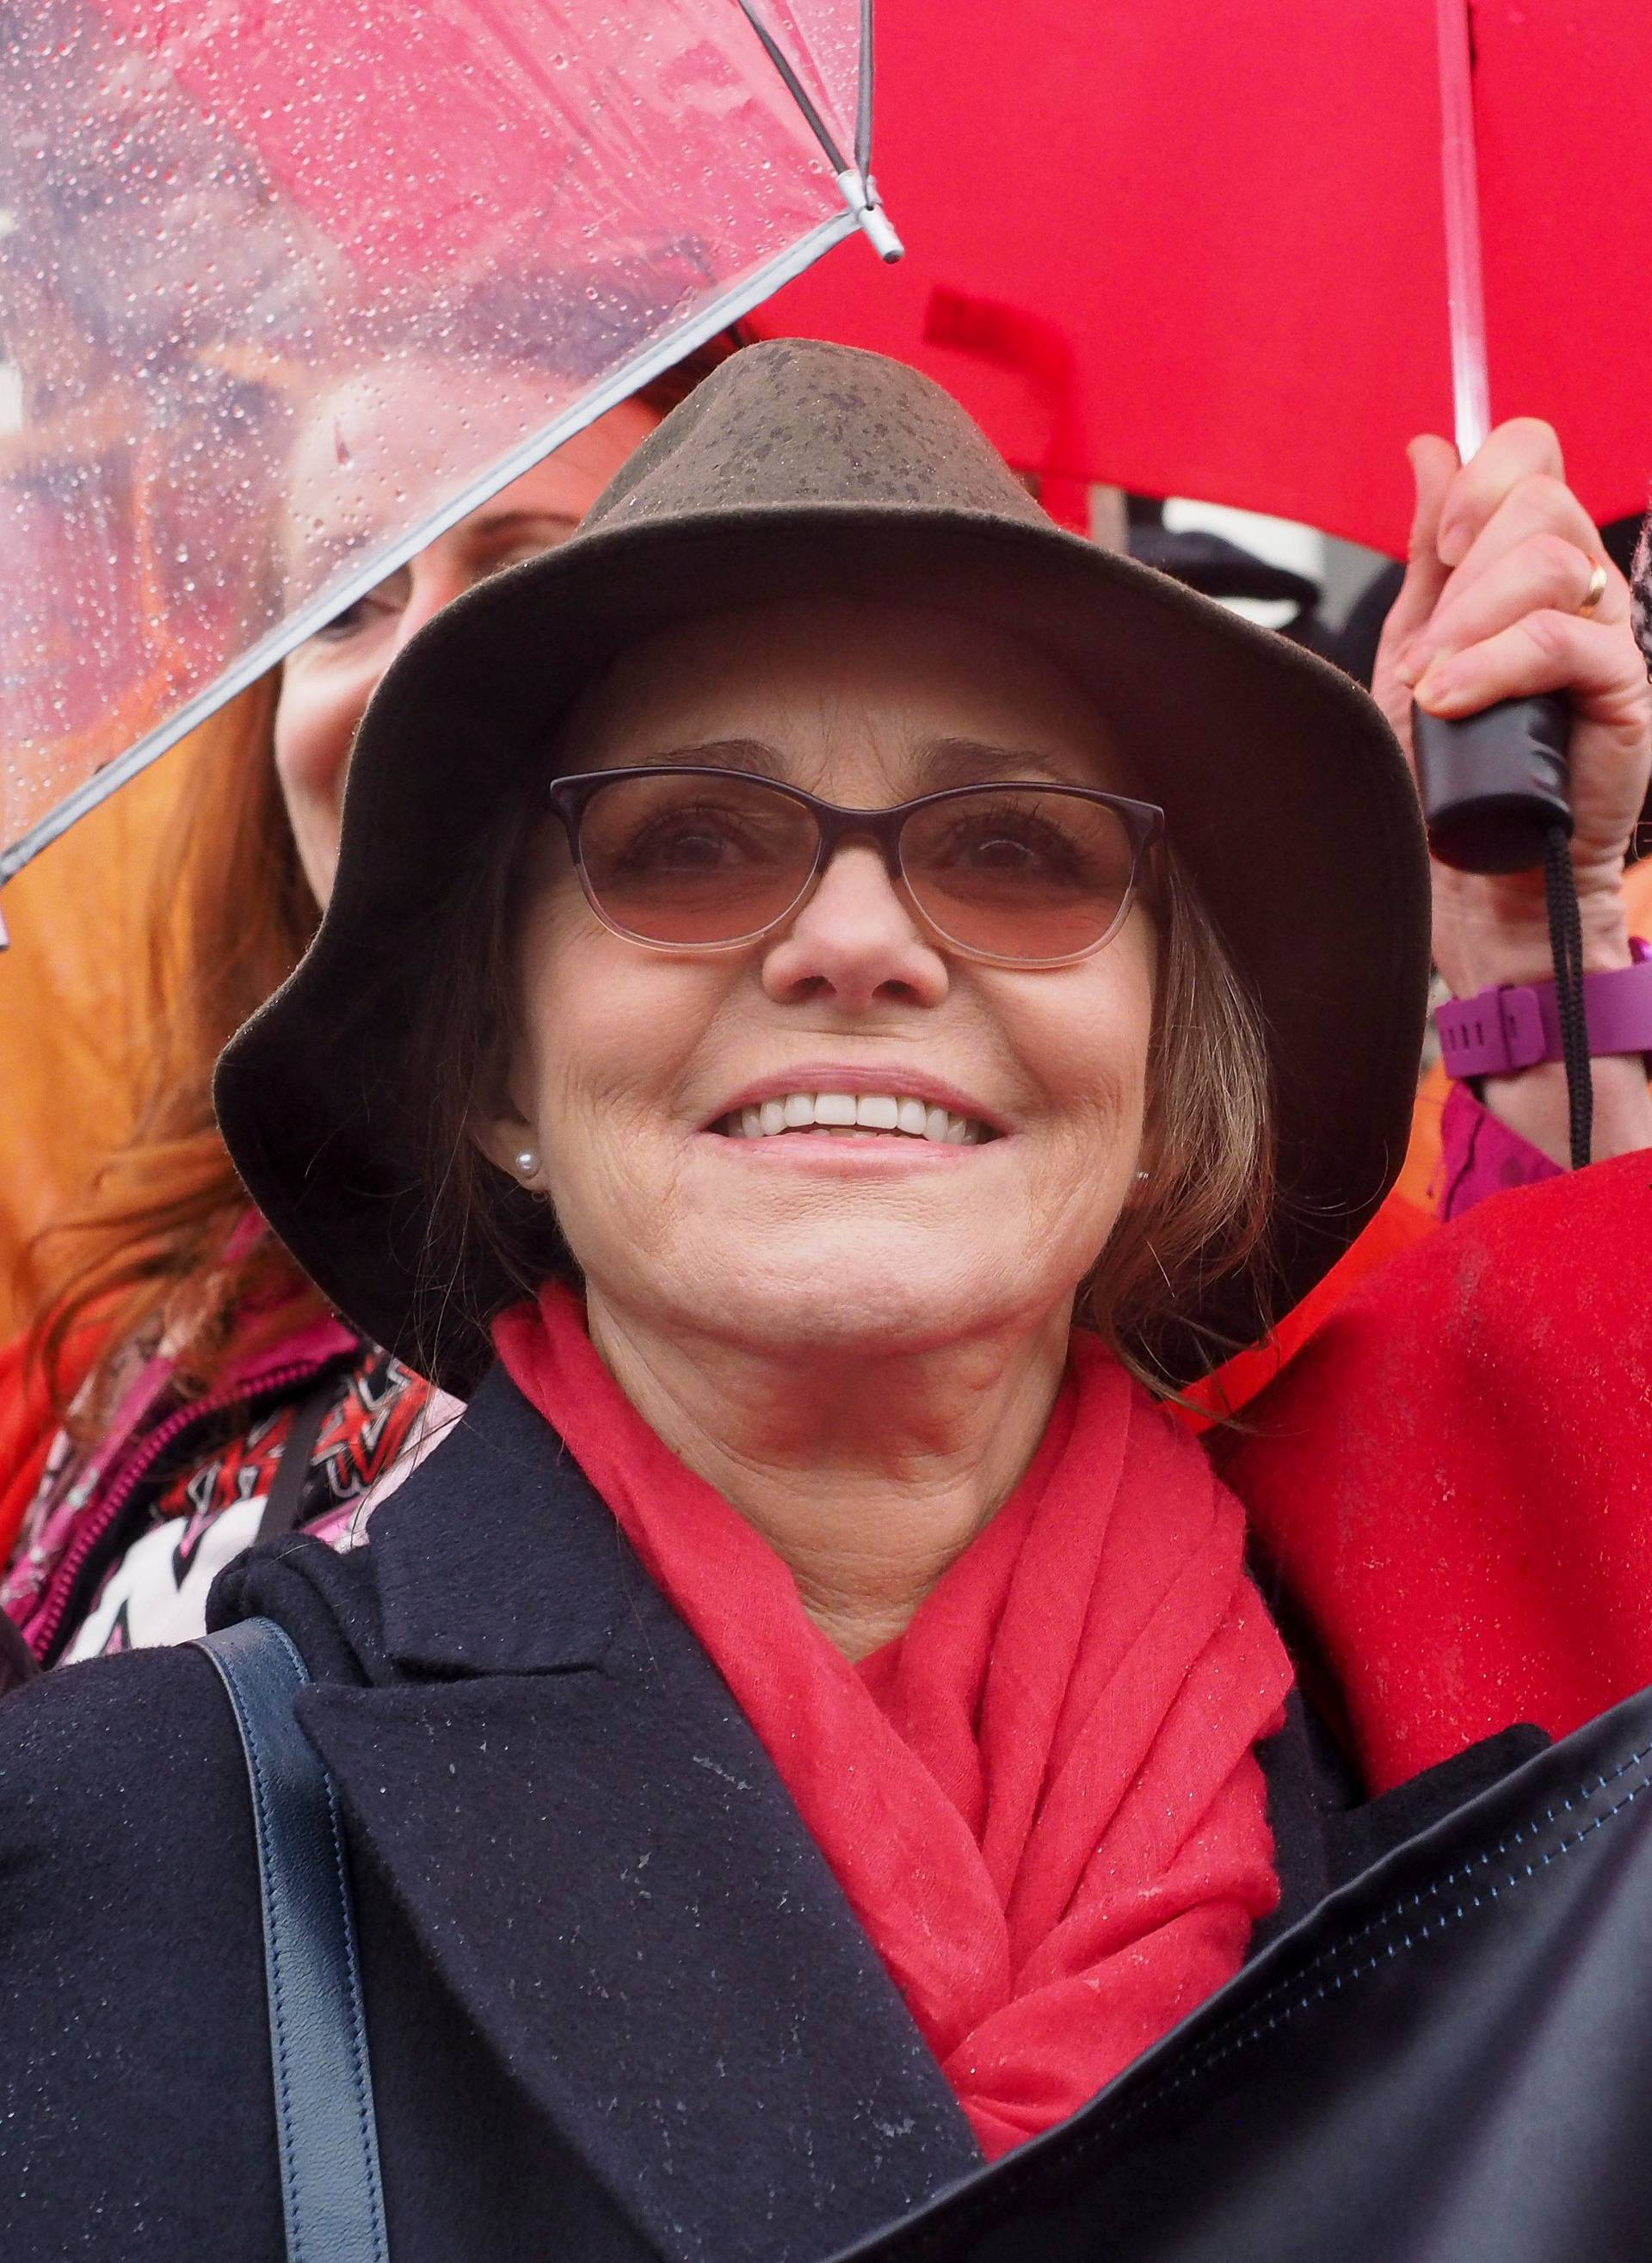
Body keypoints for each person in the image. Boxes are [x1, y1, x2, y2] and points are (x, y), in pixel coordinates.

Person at [3, 341, 1647, 2258]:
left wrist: (1531, 929)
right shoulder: (115, 1858)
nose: (856, 941)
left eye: (1014, 848)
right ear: (500, 1070)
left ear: (1158, 1066)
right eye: (687, 839)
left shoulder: (1454, 1779)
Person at [0, 338, 733, 1672]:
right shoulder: (181, 1289)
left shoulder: (825, 1316)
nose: (402, 672)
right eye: (344, 600)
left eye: (522, 577)